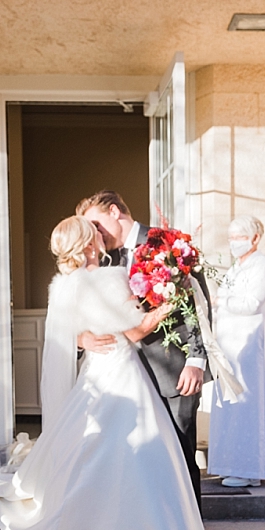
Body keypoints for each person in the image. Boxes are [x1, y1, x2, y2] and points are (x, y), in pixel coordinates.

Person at [0, 216, 221, 530]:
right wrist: (167, 302)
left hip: (95, 375)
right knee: (141, 458)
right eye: (92, 229)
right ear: (88, 242)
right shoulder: (108, 277)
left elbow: (64, 331)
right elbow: (134, 332)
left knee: (94, 455)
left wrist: (82, 336)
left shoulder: (63, 285)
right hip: (123, 373)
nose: (100, 232)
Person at [77, 190, 209, 501]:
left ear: (114, 212)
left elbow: (199, 305)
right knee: (137, 459)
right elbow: (83, 308)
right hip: (124, 375)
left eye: (96, 224)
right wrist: (82, 338)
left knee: (179, 454)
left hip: (173, 371)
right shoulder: (101, 258)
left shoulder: (168, 242)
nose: (93, 234)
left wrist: (196, 360)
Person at [208, 215, 265, 488]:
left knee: (247, 404)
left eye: (239, 237)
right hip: (229, 346)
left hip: (248, 347)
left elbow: (251, 303)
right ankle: (229, 463)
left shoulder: (263, 265)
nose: (234, 243)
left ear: (255, 238)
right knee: (230, 405)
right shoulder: (235, 268)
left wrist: (220, 298)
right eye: (231, 238)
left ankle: (250, 468)